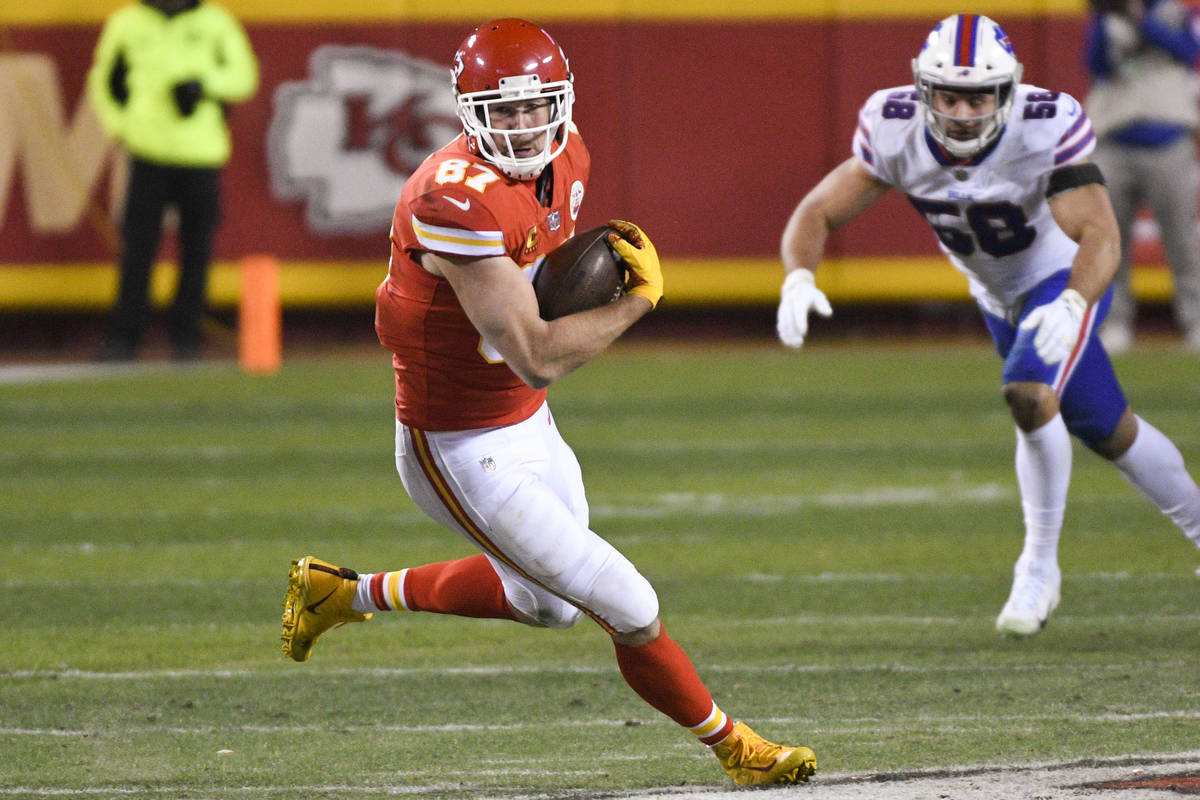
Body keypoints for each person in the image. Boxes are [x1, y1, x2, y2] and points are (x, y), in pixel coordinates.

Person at [279, 19, 816, 786]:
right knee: (630, 605)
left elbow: (538, 288)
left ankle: (343, 591)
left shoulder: (569, 157)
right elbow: (533, 353)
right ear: (468, 112)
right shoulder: (451, 200)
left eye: (539, 107)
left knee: (549, 606)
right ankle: (736, 747)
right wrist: (636, 304)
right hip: (458, 443)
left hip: (522, 419)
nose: (527, 126)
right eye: (506, 109)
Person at [777, 14, 1200, 636]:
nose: (965, 111)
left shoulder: (1043, 124)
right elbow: (818, 211)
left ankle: (1038, 566)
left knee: (1028, 392)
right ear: (923, 90)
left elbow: (1101, 234)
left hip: (1062, 278)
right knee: (1107, 429)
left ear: (1007, 92)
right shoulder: (893, 129)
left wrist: (1074, 303)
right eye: (949, 94)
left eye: (979, 95)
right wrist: (799, 276)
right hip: (996, 294)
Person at [87, 0, 258, 361]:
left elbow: (244, 75)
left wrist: (204, 85)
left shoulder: (214, 21)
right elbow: (103, 80)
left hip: (200, 153)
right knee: (138, 248)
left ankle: (187, 337)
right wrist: (122, 128)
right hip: (147, 153)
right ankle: (125, 336)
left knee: (197, 248)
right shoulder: (128, 23)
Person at [1084, 0, 1200, 353]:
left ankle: (1195, 321)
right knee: (1109, 240)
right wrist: (1108, 18)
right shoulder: (1106, 17)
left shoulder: (1171, 12)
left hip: (1169, 138)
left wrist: (1141, 20)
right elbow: (1096, 65)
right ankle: (1116, 322)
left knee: (1182, 240)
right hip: (1114, 139)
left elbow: (1188, 51)